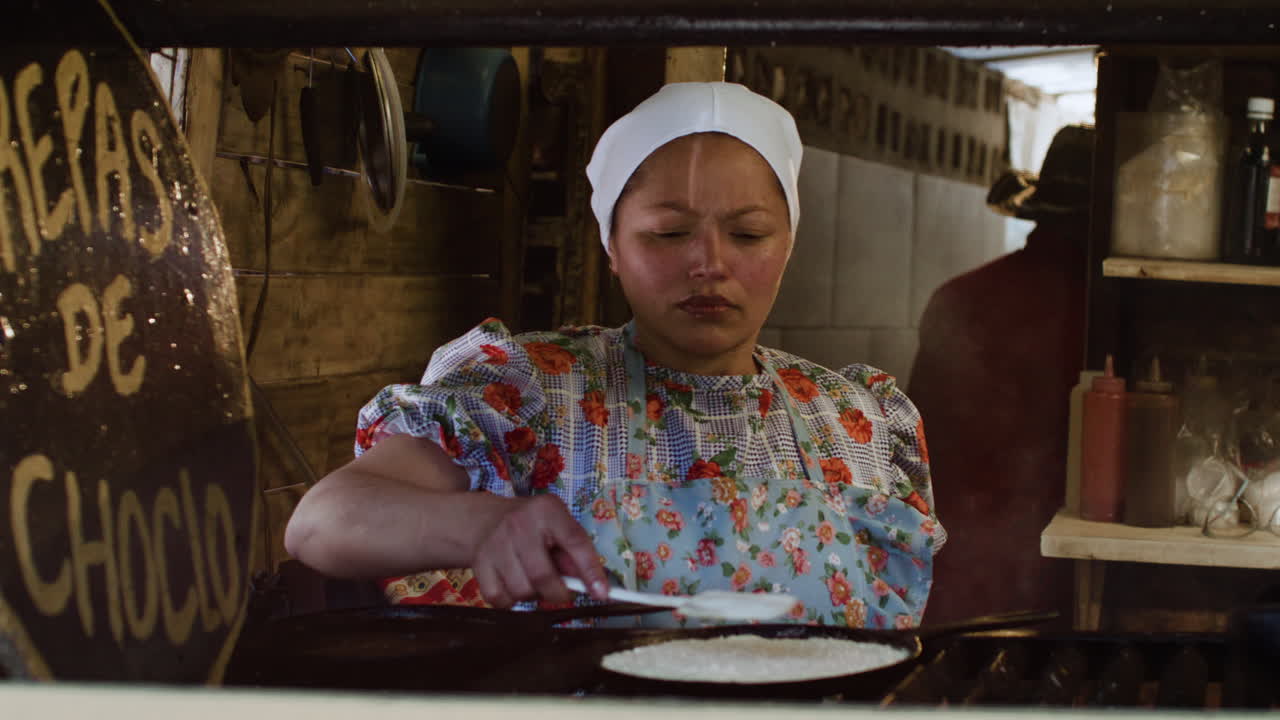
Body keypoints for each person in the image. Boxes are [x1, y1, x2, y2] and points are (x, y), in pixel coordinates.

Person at [285, 82, 944, 627]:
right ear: (611, 247)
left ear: (788, 244)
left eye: (748, 234)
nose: (708, 264)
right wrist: (487, 524)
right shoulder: (532, 388)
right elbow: (321, 523)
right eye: (668, 233)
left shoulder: (857, 421)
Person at [907, 125, 1094, 626]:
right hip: (1069, 577)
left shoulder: (960, 298)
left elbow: (916, 455)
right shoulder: (1111, 315)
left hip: (957, 570)